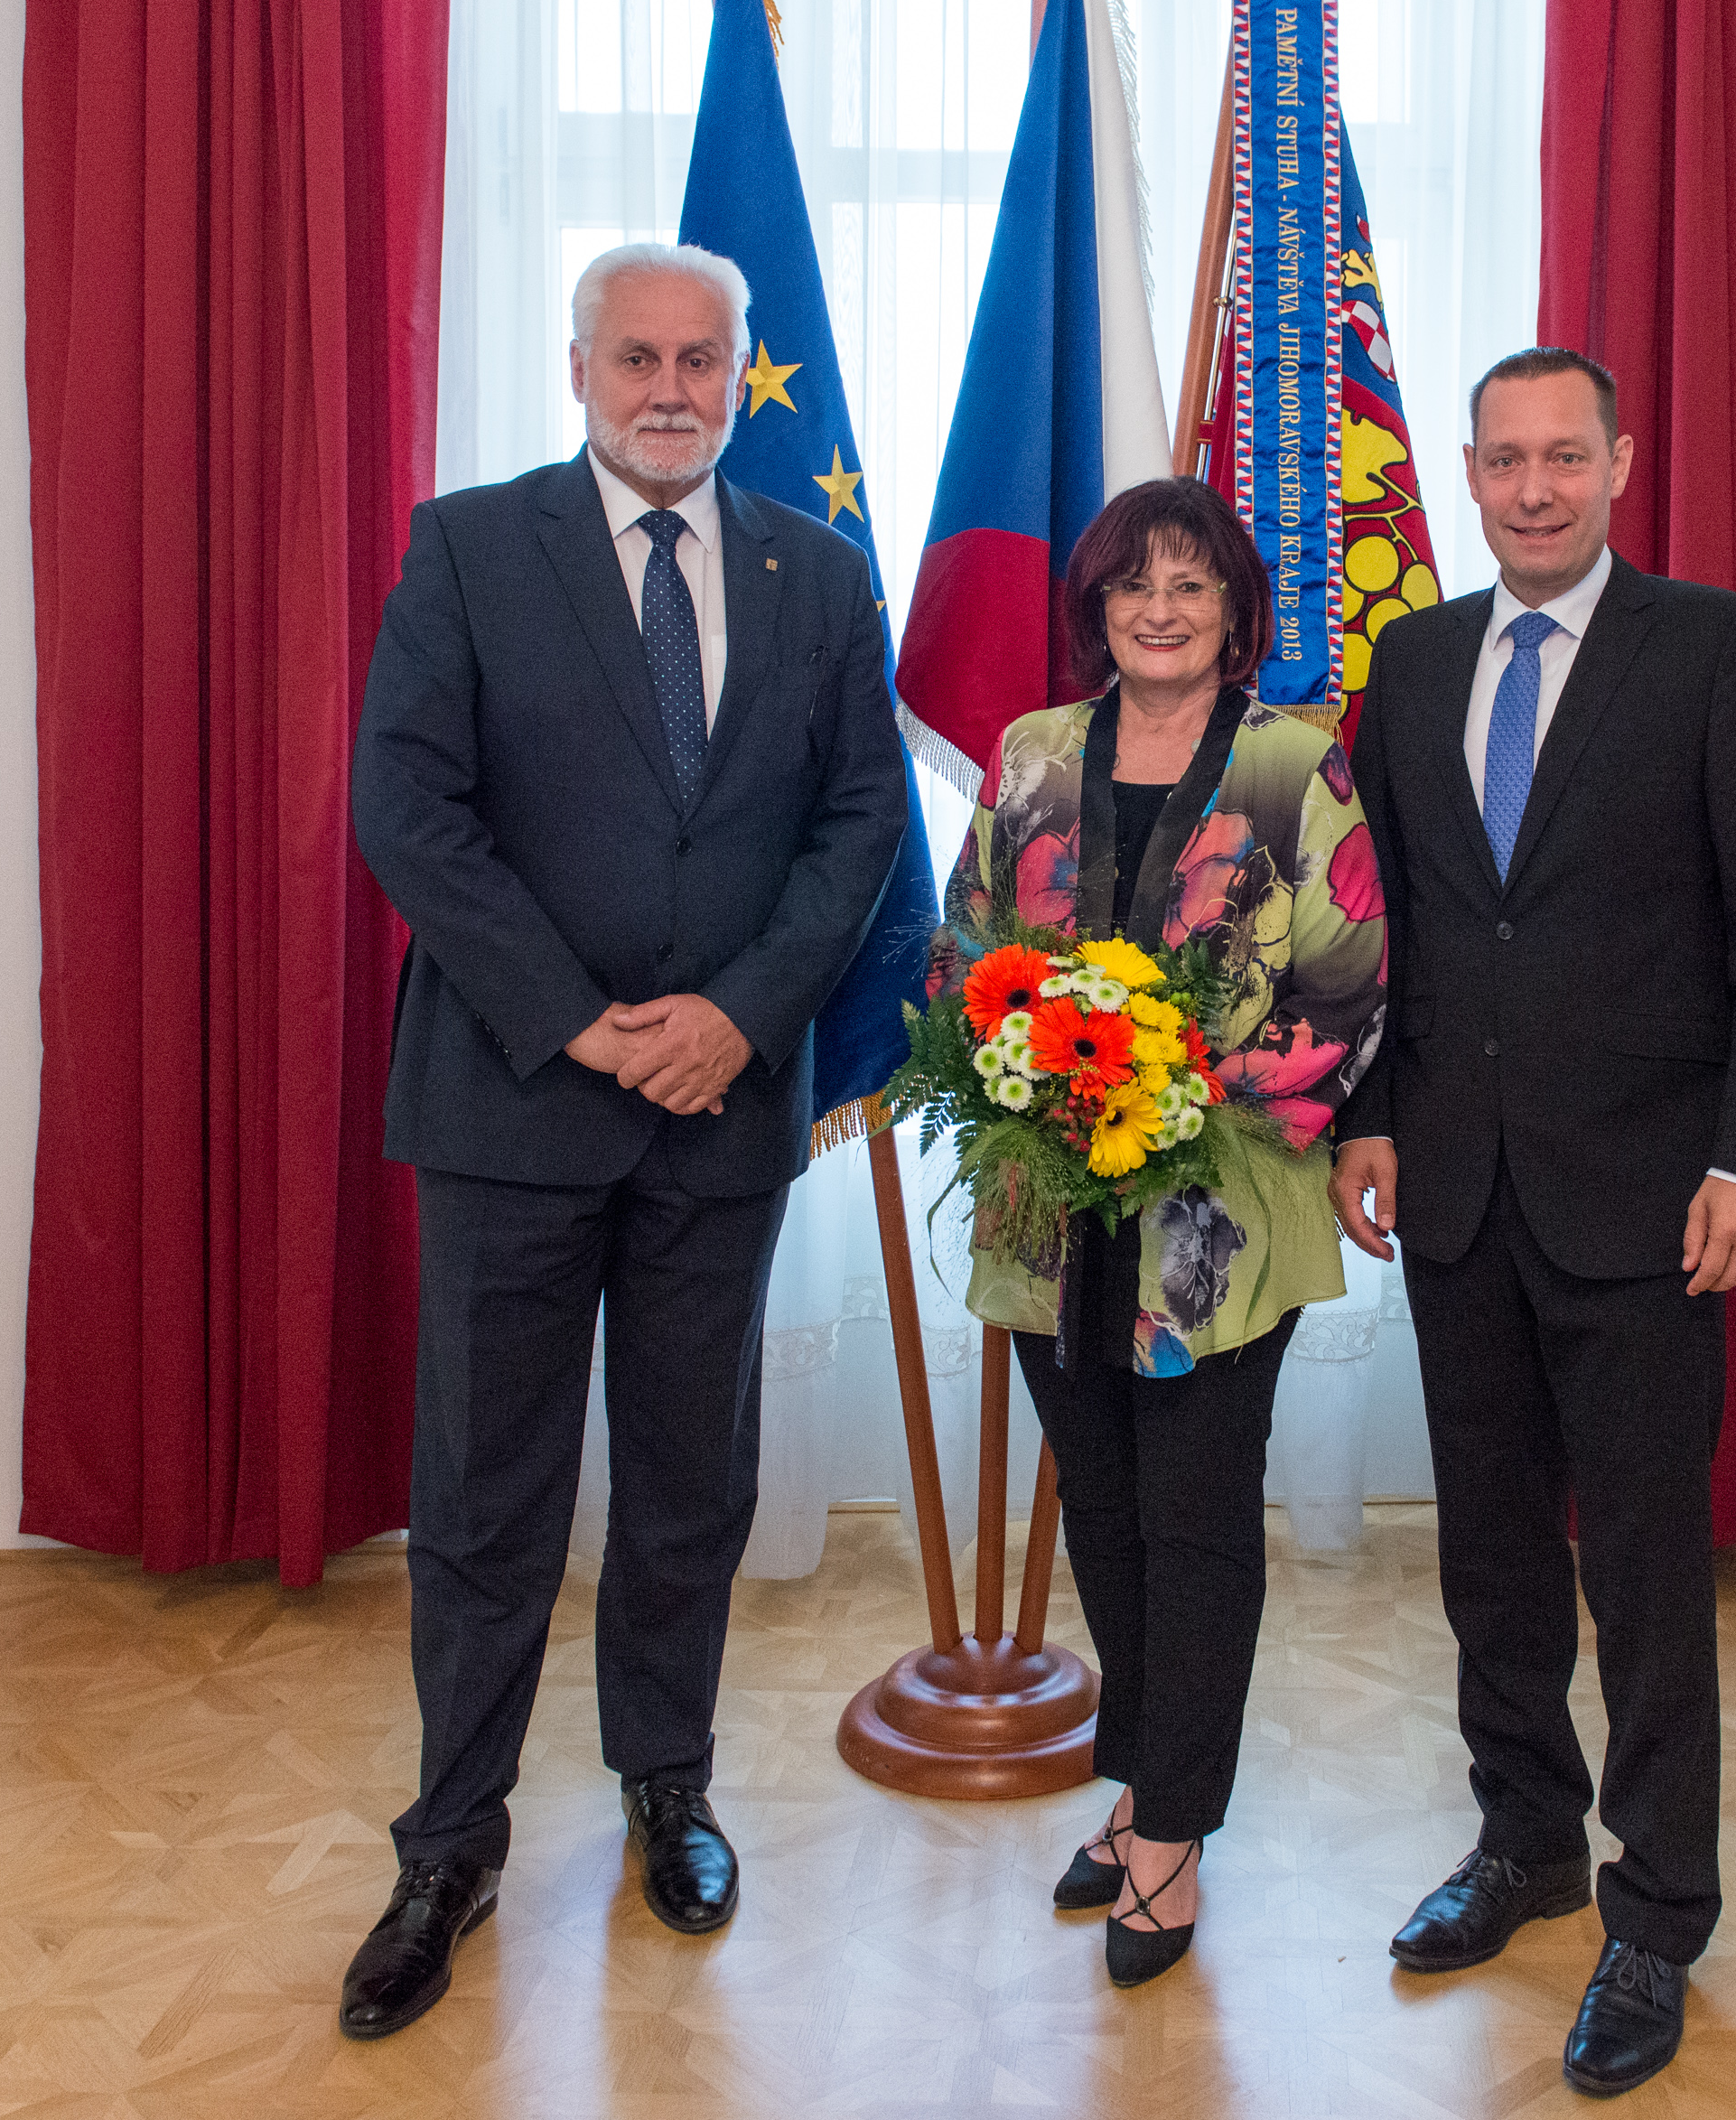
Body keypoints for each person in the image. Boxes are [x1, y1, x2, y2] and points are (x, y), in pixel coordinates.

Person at [340, 242, 910, 2039]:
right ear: (579, 367)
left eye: (701, 358)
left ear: (740, 374)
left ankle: (672, 1786)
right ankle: (451, 1843)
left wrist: (739, 1014)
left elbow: (859, 821)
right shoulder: (467, 547)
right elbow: (406, 806)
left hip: (719, 1111)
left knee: (686, 1485)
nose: (671, 386)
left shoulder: (818, 571)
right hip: (514, 1099)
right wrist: (581, 1021)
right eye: (637, 356)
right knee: (485, 1499)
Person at [1329, 348, 1736, 2096]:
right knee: (1489, 1553)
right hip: (1455, 1190)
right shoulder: (1411, 662)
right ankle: (1528, 1839)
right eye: (1506, 460)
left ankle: (1660, 1910)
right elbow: (1388, 925)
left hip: (1652, 1200)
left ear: (1620, 462)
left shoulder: (1717, 649)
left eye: (1567, 455)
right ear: (1468, 474)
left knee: (1644, 1571)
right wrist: (1370, 1116)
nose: (1535, 488)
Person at [938, 476, 1386, 1988]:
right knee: (1108, 1514)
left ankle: (1175, 1832)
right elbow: (967, 945)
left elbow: (1350, 981)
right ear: (1099, 605)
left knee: (1195, 1522)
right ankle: (1142, 1787)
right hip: (1049, 1214)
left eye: (1194, 583)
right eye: (1136, 583)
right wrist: (1025, 1068)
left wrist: (1188, 1088)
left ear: (1235, 609)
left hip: (1218, 1217)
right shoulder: (1031, 753)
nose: (1162, 609)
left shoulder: (1296, 761)